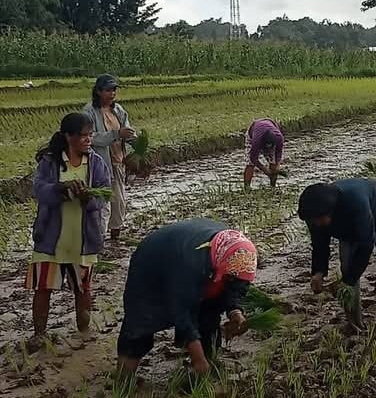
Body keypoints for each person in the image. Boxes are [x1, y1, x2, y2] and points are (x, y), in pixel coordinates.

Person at [116, 219, 256, 376]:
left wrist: (235, 312)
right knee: (140, 323)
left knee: (208, 316)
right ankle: (124, 380)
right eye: (229, 278)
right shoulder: (191, 265)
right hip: (154, 264)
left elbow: (237, 286)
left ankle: (207, 359)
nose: (232, 281)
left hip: (195, 264)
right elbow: (181, 312)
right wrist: (198, 359)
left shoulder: (237, 254)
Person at [26, 113, 111, 344]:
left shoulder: (95, 163)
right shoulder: (50, 162)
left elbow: (105, 194)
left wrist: (87, 198)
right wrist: (60, 189)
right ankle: (39, 335)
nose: (88, 139)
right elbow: (39, 191)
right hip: (51, 238)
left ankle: (83, 334)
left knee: (82, 289)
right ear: (68, 136)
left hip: (83, 239)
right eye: (83, 135)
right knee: (43, 287)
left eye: (90, 135)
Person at [298, 178, 376, 331]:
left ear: (332, 210)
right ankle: (354, 324)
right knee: (346, 268)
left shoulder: (355, 202)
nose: (317, 223)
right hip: (349, 231)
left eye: (320, 219)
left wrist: (348, 280)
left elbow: (366, 244)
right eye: (314, 221)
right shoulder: (314, 213)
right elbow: (319, 244)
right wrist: (318, 272)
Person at [84, 74, 135, 240]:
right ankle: (97, 240)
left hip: (118, 161)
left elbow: (127, 132)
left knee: (119, 202)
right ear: (98, 91)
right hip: (101, 164)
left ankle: (115, 236)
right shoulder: (89, 112)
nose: (112, 93)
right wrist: (115, 134)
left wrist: (139, 146)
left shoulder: (118, 110)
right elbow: (90, 137)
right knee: (102, 204)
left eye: (114, 89)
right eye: (108, 90)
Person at [244, 118, 284, 188]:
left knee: (273, 161)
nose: (267, 150)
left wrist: (276, 168)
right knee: (250, 163)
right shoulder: (256, 141)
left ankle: (273, 187)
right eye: (266, 148)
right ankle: (246, 188)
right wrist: (265, 170)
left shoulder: (279, 139)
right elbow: (253, 158)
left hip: (271, 124)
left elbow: (278, 155)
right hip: (254, 129)